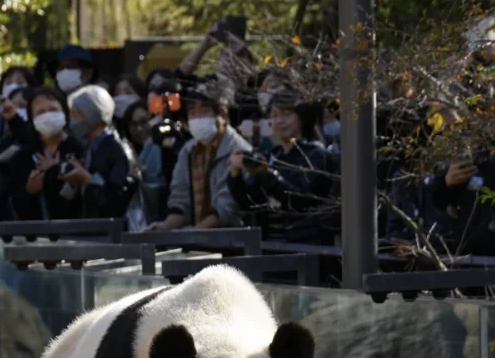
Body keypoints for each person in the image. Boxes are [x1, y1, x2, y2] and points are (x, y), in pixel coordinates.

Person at [228, 89, 337, 243]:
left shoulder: (316, 155)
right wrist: (235, 174)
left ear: (302, 117)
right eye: (274, 115)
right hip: (269, 244)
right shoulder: (272, 156)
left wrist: (268, 175)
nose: (279, 121)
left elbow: (299, 200)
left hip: (306, 246)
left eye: (286, 114)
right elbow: (250, 204)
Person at [151, 77, 247, 231]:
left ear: (223, 115)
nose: (197, 118)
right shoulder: (188, 151)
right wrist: (165, 227)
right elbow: (180, 199)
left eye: (204, 110)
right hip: (197, 240)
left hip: (232, 241)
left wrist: (193, 234)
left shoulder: (238, 150)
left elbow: (227, 208)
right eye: (192, 112)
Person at [0, 86, 85, 221]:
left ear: (65, 113)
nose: (47, 115)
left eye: (53, 110)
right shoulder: (25, 156)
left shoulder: (79, 149)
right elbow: (13, 204)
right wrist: (30, 191)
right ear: (32, 119)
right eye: (40, 112)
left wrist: (54, 173)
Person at [59, 84, 135, 220]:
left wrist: (88, 180)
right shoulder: (88, 148)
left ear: (90, 113)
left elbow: (119, 197)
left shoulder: (118, 149)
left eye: (75, 114)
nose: (71, 121)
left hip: (112, 232)